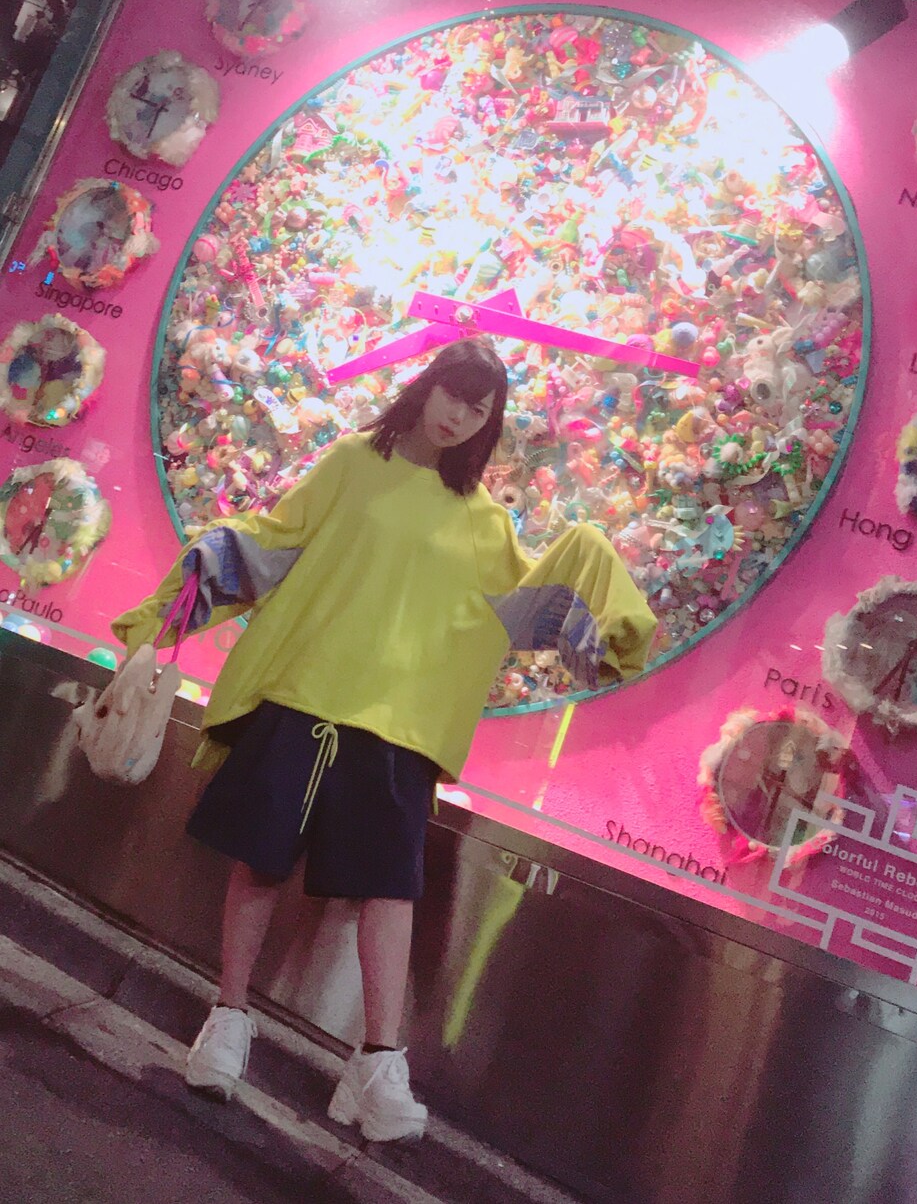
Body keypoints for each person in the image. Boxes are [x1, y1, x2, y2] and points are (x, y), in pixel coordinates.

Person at [112, 336, 656, 1142]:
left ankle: (376, 1063)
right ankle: (227, 1019)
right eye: (453, 394)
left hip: (398, 726)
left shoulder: (485, 523)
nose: (459, 416)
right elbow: (274, 540)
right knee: (260, 862)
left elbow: (527, 603)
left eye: (478, 409)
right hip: (305, 691)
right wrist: (179, 596)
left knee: (389, 891)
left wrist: (600, 588)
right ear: (427, 387)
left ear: (490, 423)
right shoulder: (351, 464)